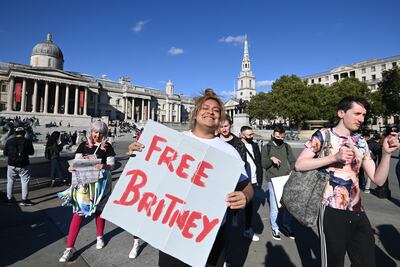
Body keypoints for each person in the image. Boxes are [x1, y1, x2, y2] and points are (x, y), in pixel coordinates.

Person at [151, 88, 254, 266]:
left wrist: (245, 196)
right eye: (205, 108)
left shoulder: (230, 152)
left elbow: (246, 185)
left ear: (220, 118)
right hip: (172, 226)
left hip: (210, 232)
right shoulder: (175, 140)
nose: (210, 112)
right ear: (196, 113)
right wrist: (138, 151)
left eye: (216, 110)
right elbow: (151, 170)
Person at [295, 96, 399, 267]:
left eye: (364, 115)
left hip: (358, 210)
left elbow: (378, 180)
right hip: (330, 209)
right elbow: (300, 164)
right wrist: (333, 157)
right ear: (341, 113)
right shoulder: (323, 135)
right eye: (357, 113)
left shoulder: (360, 141)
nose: (362, 119)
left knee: (366, 261)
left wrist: (386, 154)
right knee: (333, 262)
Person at [58, 121, 116, 262]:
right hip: (84, 184)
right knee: (78, 214)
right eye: (95, 132)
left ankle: (99, 237)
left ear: (104, 134)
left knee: (99, 211)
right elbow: (76, 162)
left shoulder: (107, 147)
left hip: (101, 184)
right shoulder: (83, 145)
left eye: (101, 133)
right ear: (91, 132)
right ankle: (69, 248)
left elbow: (112, 165)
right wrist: (71, 168)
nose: (98, 135)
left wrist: (104, 165)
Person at [261, 125, 296, 240]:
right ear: (273, 135)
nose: (279, 139)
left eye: (281, 137)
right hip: (273, 180)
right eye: (277, 136)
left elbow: (292, 161)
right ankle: (275, 227)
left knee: (288, 204)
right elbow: (264, 164)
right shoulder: (267, 148)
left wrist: (291, 170)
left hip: (286, 178)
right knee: (275, 205)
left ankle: (286, 226)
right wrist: (271, 159)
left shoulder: (286, 147)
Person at [240, 125, 263, 242]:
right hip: (242, 179)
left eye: (252, 134)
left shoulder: (254, 145)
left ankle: (247, 229)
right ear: (242, 135)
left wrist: (259, 178)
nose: (252, 136)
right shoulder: (238, 145)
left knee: (250, 205)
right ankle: (234, 215)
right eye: (249, 135)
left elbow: (258, 162)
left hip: (253, 180)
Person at [3, 126, 35, 206]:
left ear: (15, 133)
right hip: (24, 164)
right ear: (24, 133)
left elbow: (5, 153)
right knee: (25, 182)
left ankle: (9, 199)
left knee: (10, 182)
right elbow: (31, 153)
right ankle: (24, 200)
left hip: (11, 164)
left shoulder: (9, 141)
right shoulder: (27, 141)